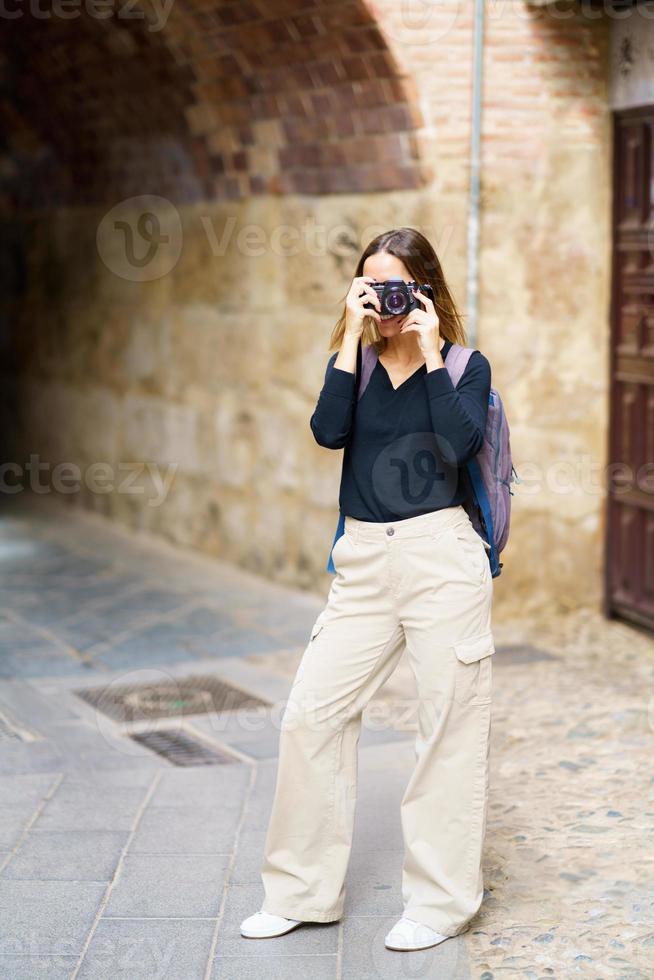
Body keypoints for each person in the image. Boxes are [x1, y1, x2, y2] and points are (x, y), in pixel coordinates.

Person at [241, 227, 494, 952]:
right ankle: (299, 891)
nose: (386, 300)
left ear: (425, 288)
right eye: (371, 286)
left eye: (397, 287)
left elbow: (457, 445)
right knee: (311, 714)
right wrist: (352, 336)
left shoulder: (465, 365)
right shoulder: (351, 360)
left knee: (446, 725)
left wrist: (433, 352)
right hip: (362, 562)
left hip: (441, 557)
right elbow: (327, 432)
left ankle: (441, 903)